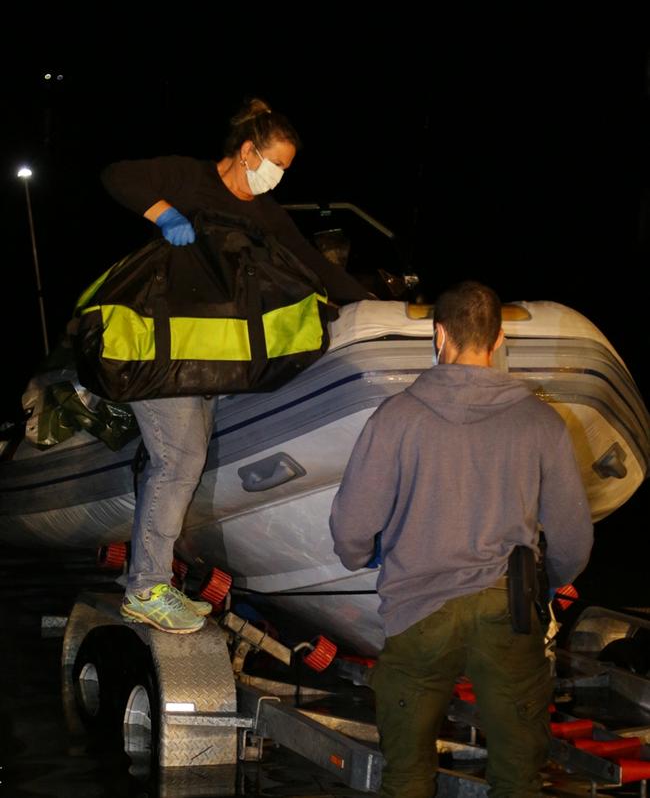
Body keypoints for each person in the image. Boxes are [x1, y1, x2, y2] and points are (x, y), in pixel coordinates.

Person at [101, 97, 371, 634]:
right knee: (179, 462)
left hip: (212, 358)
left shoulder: (265, 214)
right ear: (248, 152)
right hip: (161, 353)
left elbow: (313, 265)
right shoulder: (187, 177)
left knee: (185, 462)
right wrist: (163, 212)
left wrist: (368, 303)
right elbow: (116, 176)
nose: (278, 177)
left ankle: (148, 577)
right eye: (276, 164)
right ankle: (145, 588)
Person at [329, 280, 594, 798]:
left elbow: (351, 528)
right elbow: (572, 540)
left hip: (417, 612)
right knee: (518, 778)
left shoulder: (396, 417)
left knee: (406, 776)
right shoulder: (541, 422)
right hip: (507, 612)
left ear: (439, 334)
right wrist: (543, 585)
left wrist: (362, 558)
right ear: (497, 343)